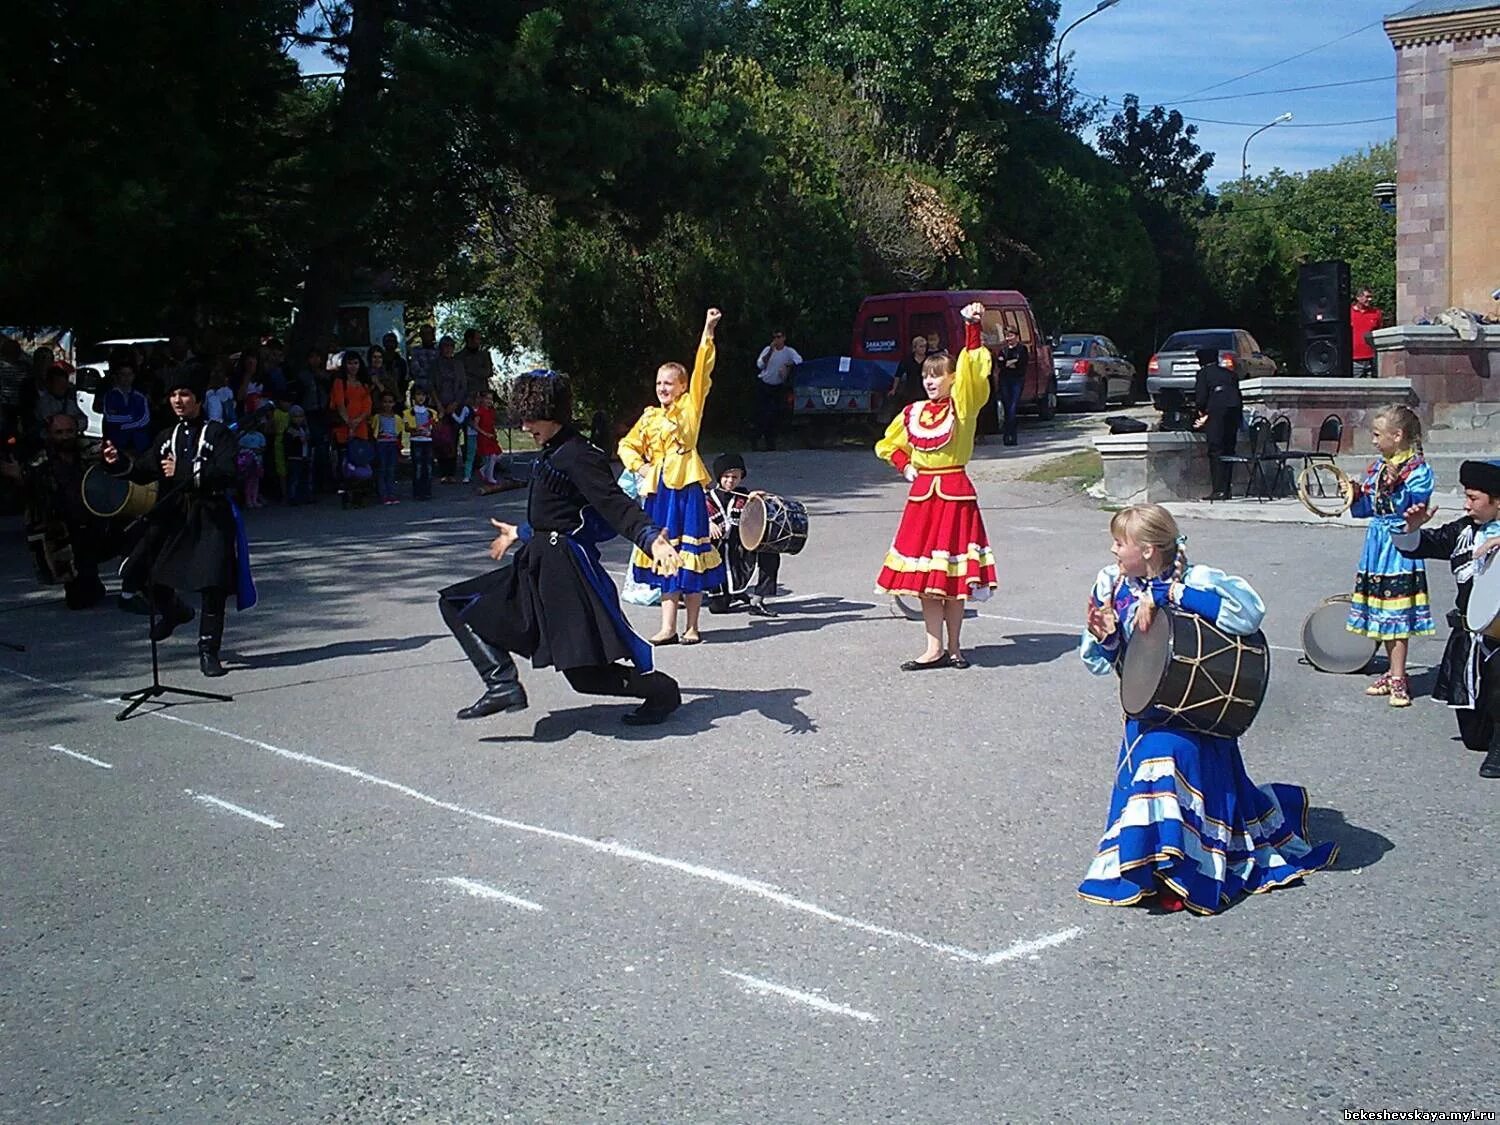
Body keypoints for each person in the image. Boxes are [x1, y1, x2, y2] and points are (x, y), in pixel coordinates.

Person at [1078, 504, 1337, 914]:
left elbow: (1249, 615)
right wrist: (1109, 639)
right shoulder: (1113, 585)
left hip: (1201, 717)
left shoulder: (1196, 578)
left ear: (1147, 550)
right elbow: (1113, 663)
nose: (1112, 550)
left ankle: (1181, 870)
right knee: (1155, 759)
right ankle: (1151, 865)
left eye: (1119, 542)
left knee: (1166, 758)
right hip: (1148, 711)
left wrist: (1175, 595)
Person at [436, 368, 684, 726]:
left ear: (552, 412)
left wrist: (650, 538)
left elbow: (613, 503)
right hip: (535, 563)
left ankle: (661, 690)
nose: (525, 427)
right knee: (457, 603)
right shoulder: (552, 450)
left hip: (564, 573)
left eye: (532, 418)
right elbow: (557, 514)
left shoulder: (578, 455)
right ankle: (502, 684)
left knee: (584, 677)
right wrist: (518, 532)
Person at [101, 370, 255, 678]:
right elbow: (144, 470)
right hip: (173, 514)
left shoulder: (218, 433)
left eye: (184, 394)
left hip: (210, 513)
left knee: (213, 583)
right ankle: (175, 611)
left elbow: (228, 473)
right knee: (140, 570)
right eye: (173, 395)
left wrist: (183, 470)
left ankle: (208, 650)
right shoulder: (166, 436)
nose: (177, 400)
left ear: (197, 399)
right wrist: (117, 462)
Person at [874, 301, 996, 670]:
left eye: (938, 375)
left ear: (952, 379)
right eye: (927, 375)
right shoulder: (912, 412)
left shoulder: (963, 406)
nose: (930, 381)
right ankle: (933, 647)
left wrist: (972, 328)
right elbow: (887, 443)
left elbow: (974, 375)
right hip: (923, 499)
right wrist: (904, 465)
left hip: (955, 495)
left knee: (955, 577)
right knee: (928, 579)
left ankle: (956, 647)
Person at [618, 308, 727, 645]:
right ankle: (667, 626)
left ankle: (692, 625)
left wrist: (707, 331)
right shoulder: (649, 416)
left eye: (668, 383)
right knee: (664, 551)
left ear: (681, 386)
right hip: (658, 492)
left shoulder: (690, 406)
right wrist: (640, 466)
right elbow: (626, 444)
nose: (662, 388)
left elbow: (702, 373)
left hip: (686, 490)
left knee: (691, 556)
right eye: (658, 383)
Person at [1394, 459, 1500, 779]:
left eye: (1474, 498)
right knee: (1473, 739)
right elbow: (1426, 544)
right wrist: (1413, 530)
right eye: (1466, 497)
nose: (1467, 506)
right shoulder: (1464, 531)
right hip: (1468, 638)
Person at [1345, 403, 1436, 706]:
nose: (1373, 440)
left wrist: (1396, 485)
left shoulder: (1418, 470)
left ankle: (1398, 677)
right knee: (1381, 611)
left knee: (1396, 613)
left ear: (1397, 436)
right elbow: (1366, 510)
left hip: (1400, 544)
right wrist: (1356, 495)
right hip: (1376, 544)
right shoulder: (1377, 467)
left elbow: (1416, 507)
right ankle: (1392, 672)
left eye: (1377, 434)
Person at [0, 412, 139, 610]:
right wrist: (19, 478)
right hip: (68, 535)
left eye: (69, 431)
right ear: (49, 434)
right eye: (59, 432)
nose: (65, 437)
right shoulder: (39, 462)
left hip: (104, 524)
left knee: (142, 531)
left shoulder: (93, 450)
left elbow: (126, 466)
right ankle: (88, 581)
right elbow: (24, 493)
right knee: (80, 600)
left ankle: (136, 586)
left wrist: (116, 461)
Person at [705, 452, 779, 617]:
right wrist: (708, 524)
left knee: (770, 550)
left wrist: (759, 502)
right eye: (726, 476)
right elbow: (692, 520)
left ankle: (757, 600)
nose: (730, 481)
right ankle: (733, 593)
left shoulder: (744, 496)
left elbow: (759, 519)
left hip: (741, 548)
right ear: (719, 476)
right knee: (718, 609)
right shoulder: (707, 499)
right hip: (717, 555)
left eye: (735, 477)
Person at [1192, 345, 1242, 501]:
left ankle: (1218, 490)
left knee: (1216, 449)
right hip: (1234, 410)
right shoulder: (1230, 374)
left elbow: (1201, 397)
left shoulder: (1204, 373)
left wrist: (1202, 412)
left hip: (1217, 410)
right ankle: (1227, 489)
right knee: (1229, 448)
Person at [752, 329, 801, 452]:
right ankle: (756, 439)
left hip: (778, 386)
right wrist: (770, 351)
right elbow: (760, 365)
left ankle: (771, 443)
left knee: (775, 414)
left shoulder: (789, 351)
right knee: (763, 414)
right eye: (774, 337)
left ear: (784, 338)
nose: (777, 340)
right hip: (765, 385)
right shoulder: (767, 350)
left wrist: (788, 365)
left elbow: (799, 360)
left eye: (779, 337)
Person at [102, 356, 153, 457]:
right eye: (123, 374)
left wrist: (124, 425)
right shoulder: (110, 395)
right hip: (116, 442)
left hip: (139, 444)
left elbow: (145, 419)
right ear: (117, 376)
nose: (126, 378)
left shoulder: (140, 397)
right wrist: (131, 418)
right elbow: (110, 417)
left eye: (130, 374)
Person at [403, 385, 437, 500]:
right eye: (418, 395)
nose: (421, 397)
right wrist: (416, 430)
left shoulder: (431, 412)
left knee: (428, 467)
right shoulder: (408, 412)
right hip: (416, 441)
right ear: (413, 397)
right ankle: (417, 492)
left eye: (423, 395)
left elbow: (435, 426)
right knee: (417, 467)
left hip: (428, 441)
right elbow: (407, 428)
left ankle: (427, 491)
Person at [371, 391, 405, 505]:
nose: (387, 404)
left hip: (392, 444)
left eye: (390, 402)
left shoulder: (396, 418)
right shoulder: (377, 417)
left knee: (391, 469)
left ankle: (392, 494)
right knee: (382, 469)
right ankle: (383, 494)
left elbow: (399, 431)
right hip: (381, 444)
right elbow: (374, 430)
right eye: (385, 402)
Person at [996, 325, 1027, 447]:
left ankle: (1013, 436)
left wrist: (1011, 363)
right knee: (1006, 407)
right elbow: (1001, 364)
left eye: (1011, 335)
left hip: (1017, 380)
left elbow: (1021, 364)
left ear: (1017, 337)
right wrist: (1010, 362)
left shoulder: (1022, 349)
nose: (1009, 338)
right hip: (1005, 380)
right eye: (1007, 336)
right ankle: (1006, 436)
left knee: (1013, 408)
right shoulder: (1003, 350)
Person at [889, 336, 929, 419]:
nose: (923, 349)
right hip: (911, 391)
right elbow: (898, 375)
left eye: (925, 346)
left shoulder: (929, 359)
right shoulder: (907, 360)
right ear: (914, 348)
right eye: (921, 346)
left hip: (926, 391)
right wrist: (894, 389)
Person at [1351, 287, 1383, 378]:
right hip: (1354, 359)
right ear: (1358, 297)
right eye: (1367, 297)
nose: (1370, 299)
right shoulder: (1348, 313)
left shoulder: (1376, 313)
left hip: (1371, 358)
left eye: (1371, 297)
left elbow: (1379, 332)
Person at [283, 405, 312, 506]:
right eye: (296, 416)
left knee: (305, 478)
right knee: (294, 479)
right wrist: (296, 439)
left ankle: (306, 496)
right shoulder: (289, 430)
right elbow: (287, 445)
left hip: (305, 456)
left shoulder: (305, 428)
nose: (299, 419)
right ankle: (292, 497)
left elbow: (308, 440)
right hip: (294, 457)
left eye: (300, 416)